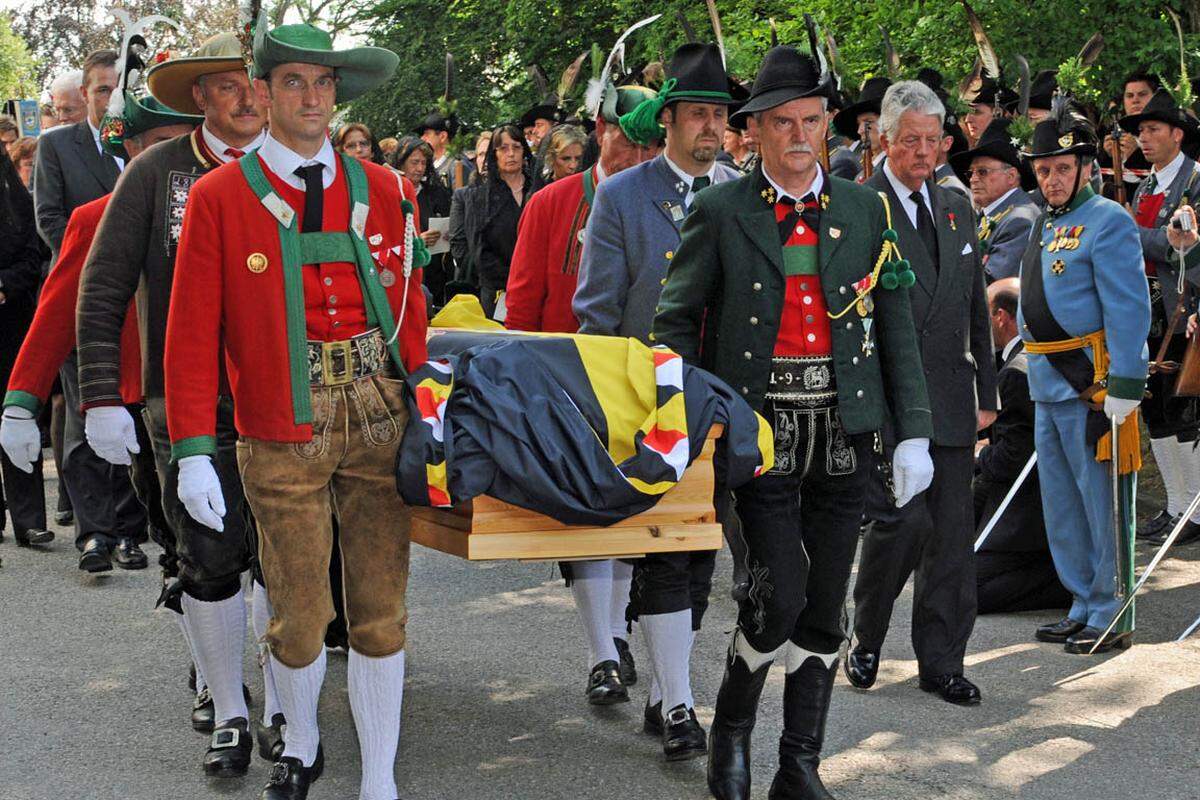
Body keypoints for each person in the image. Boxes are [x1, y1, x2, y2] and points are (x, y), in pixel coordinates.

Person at [651, 44, 933, 800]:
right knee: (774, 600)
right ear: (755, 132)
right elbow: (675, 324)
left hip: (847, 431)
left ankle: (798, 763)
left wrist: (913, 429)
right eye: (783, 123)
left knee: (825, 608)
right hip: (759, 430)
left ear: (828, 125)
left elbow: (896, 322)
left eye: (812, 120)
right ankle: (732, 734)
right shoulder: (718, 209)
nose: (800, 135)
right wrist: (684, 416)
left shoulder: (864, 209)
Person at [163, 18, 427, 799]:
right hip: (280, 425)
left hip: (380, 414)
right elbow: (188, 336)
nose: (310, 98)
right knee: (301, 614)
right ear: (263, 92)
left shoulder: (386, 188)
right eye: (293, 83)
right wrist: (188, 451)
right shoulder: (217, 197)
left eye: (322, 83)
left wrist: (430, 407)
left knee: (380, 611)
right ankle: (304, 742)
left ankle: (378, 774)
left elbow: (411, 310)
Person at [74, 31, 271, 773]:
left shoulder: (302, 168)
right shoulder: (158, 172)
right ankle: (227, 709)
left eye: (257, 82)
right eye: (228, 86)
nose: (248, 99)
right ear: (200, 99)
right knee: (209, 559)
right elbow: (100, 292)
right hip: (186, 403)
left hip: (291, 401)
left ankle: (285, 706)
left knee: (289, 564)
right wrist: (100, 397)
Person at [574, 41, 741, 761]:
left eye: (720, 117)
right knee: (666, 554)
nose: (711, 128)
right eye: (698, 114)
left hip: (726, 405)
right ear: (667, 121)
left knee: (701, 558)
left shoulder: (743, 190)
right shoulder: (622, 194)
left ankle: (661, 691)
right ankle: (678, 705)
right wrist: (609, 410)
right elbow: (598, 314)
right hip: (651, 402)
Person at [504, 74, 659, 705]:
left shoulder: (659, 198)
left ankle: (621, 633)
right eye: (629, 138)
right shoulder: (551, 203)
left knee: (645, 517)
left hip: (645, 383)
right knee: (586, 523)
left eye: (652, 142)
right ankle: (603, 650)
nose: (641, 154)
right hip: (567, 383)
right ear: (602, 133)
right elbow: (521, 302)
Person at [848, 80, 998, 706]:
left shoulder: (957, 206)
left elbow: (972, 306)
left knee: (951, 538)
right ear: (884, 138)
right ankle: (866, 632)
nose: (923, 153)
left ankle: (942, 662)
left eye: (933, 140)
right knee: (902, 525)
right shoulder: (858, 206)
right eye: (910, 140)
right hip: (888, 398)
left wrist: (987, 390)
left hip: (953, 395)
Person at [1021, 100, 1153, 654]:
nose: (1052, 178)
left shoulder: (1109, 220)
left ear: (1083, 168)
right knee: (1062, 505)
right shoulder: (1044, 223)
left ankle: (1112, 611)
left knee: (1102, 505)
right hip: (1045, 384)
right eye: (1044, 169)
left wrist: (1126, 384)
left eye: (1061, 168)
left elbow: (1129, 308)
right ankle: (1081, 600)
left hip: (1092, 388)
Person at [32, 48, 147, 571]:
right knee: (84, 416)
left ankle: (130, 529)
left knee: (135, 412)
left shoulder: (149, 146)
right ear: (86, 95)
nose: (113, 96)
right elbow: (50, 221)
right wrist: (98, 268)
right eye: (102, 88)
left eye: (121, 86)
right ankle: (93, 532)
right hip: (80, 301)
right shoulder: (59, 146)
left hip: (142, 304)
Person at [1119, 88, 1200, 544]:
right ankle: (1175, 505)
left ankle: (1197, 507)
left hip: (1182, 310)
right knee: (1155, 412)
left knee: (1182, 407)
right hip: (1143, 311)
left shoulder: (1196, 181)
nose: (1143, 138)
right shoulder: (1147, 185)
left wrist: (1141, 236)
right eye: (1140, 131)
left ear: (1177, 133)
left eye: (1152, 129)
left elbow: (1181, 247)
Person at [974, 278, 1071, 613]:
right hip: (1030, 498)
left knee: (970, 590)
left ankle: (1062, 582)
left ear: (1002, 317)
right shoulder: (1022, 359)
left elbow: (1015, 459)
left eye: (986, 313)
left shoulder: (1017, 370)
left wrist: (981, 454)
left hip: (1028, 507)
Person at [0, 138, 52, 549]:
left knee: (17, 416)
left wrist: (4, 286)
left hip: (9, 322)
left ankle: (30, 520)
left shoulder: (11, 196)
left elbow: (30, 254)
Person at [950, 117, 1038, 281]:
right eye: (971, 173)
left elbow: (991, 282)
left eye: (982, 172)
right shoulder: (992, 214)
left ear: (1011, 176)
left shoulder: (1019, 220)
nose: (973, 179)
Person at [459, 123, 531, 319]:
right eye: (504, 148)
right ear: (494, 154)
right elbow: (479, 251)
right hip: (497, 291)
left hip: (536, 289)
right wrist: (515, 280)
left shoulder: (538, 190)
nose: (511, 154)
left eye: (516, 147)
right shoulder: (480, 195)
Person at [392, 135, 453, 306]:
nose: (420, 168)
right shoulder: (391, 193)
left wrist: (447, 234)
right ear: (401, 162)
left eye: (424, 163)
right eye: (414, 162)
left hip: (434, 272)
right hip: (402, 272)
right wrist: (419, 241)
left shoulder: (435, 193)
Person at [1099, 71, 1160, 203]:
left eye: (1142, 94)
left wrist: (1135, 154)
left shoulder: (1165, 129)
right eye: (1129, 96)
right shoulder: (1114, 130)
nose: (1135, 100)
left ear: (1155, 97)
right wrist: (1107, 154)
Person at [447, 129, 491, 296]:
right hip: (472, 281)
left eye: (489, 154)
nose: (485, 160)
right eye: (480, 155)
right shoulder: (462, 195)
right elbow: (457, 243)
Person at [830, 76, 889, 181]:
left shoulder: (897, 170)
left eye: (868, 122)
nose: (860, 130)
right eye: (859, 124)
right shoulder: (862, 174)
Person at [416, 110, 474, 190]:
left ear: (442, 136)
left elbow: (462, 200)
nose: (422, 138)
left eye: (427, 134)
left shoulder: (458, 165)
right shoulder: (428, 165)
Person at [536, 124, 586, 189]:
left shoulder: (588, 190)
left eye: (577, 158)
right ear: (551, 157)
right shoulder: (542, 192)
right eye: (566, 159)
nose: (573, 166)